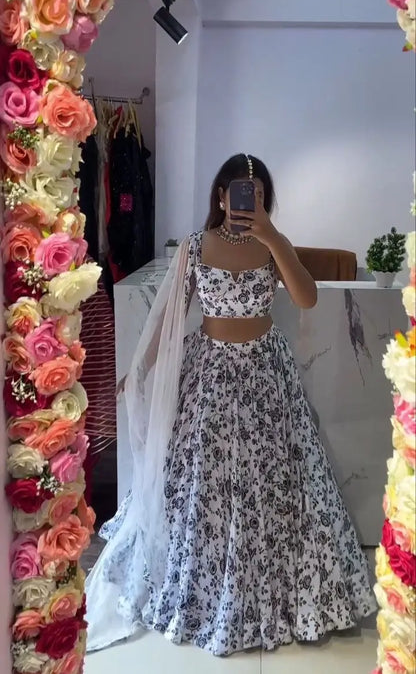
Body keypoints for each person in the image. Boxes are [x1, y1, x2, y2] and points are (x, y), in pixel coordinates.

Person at [85, 154, 377, 657]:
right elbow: (170, 315)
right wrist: (140, 368)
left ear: (265, 200)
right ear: (220, 197)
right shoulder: (196, 246)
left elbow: (306, 298)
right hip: (210, 376)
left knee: (276, 478)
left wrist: (273, 237)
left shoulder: (273, 244)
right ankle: (204, 583)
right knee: (204, 478)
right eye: (239, 192)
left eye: (257, 194)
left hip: (266, 374)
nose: (247, 201)